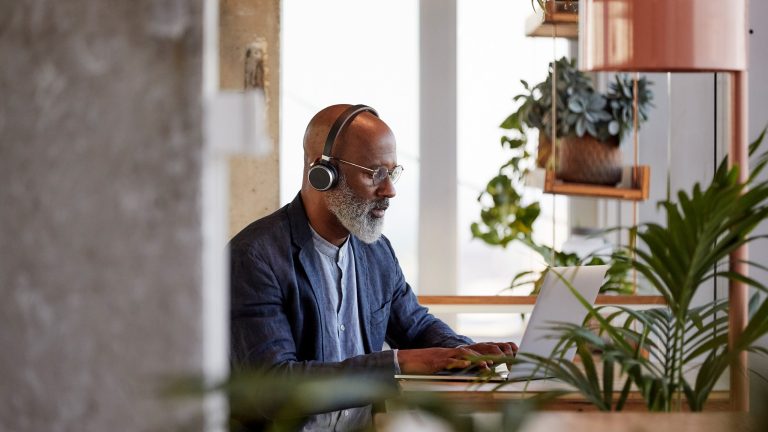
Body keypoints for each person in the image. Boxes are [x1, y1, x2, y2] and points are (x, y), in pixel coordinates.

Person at [229, 104, 518, 430]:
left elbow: (416, 327)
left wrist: (465, 352)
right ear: (323, 174)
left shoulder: (375, 251)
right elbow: (273, 389)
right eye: (374, 173)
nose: (390, 190)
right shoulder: (253, 257)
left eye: (392, 173)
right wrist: (398, 362)